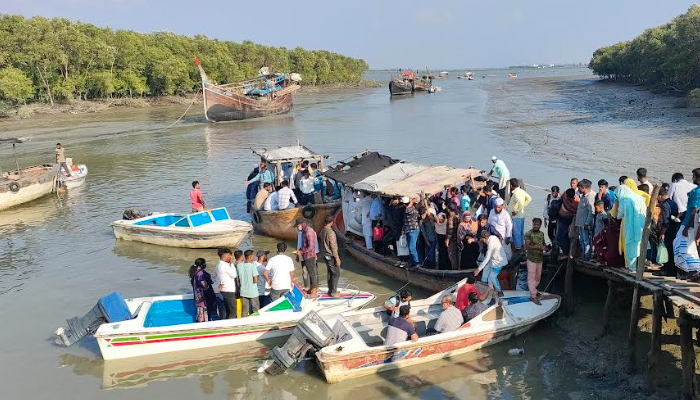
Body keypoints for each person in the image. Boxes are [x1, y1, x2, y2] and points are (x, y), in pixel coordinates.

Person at [611, 183, 647, 270]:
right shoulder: (639, 197)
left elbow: (619, 216)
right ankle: (640, 265)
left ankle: (631, 267)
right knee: (639, 244)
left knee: (630, 244)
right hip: (641, 225)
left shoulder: (624, 199)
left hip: (630, 225)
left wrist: (617, 204)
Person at [653, 188, 679, 276]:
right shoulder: (673, 203)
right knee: (672, 250)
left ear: (660, 196)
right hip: (674, 228)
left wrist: (662, 233)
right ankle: (671, 268)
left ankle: (668, 270)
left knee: (668, 249)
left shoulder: (665, 205)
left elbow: (665, 220)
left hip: (668, 230)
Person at [475, 230, 508, 295]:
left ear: (484, 238)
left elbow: (487, 257)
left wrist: (478, 269)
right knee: (486, 269)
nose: (482, 241)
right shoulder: (493, 237)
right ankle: (488, 286)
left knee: (492, 277)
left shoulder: (491, 244)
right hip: (494, 260)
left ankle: (499, 291)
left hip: (498, 262)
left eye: (482, 239)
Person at [295, 218, 319, 297]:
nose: (297, 228)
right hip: (305, 256)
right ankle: (309, 288)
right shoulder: (303, 232)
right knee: (306, 272)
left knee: (312, 273)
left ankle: (314, 290)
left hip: (310, 256)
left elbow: (311, 246)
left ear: (302, 224)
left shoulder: (309, 231)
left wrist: (301, 252)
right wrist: (299, 253)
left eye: (298, 226)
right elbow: (303, 245)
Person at [319, 214, 342, 297]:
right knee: (336, 273)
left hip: (325, 254)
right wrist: (337, 258)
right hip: (331, 255)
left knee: (330, 272)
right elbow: (333, 246)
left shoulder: (322, 230)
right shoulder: (330, 232)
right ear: (332, 222)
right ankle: (333, 292)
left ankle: (330, 290)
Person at [524, 218, 546, 304]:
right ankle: (533, 296)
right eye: (535, 224)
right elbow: (527, 247)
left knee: (538, 277)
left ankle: (534, 290)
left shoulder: (542, 234)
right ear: (532, 224)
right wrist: (538, 247)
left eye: (538, 225)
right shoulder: (528, 234)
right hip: (531, 259)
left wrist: (545, 247)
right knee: (531, 277)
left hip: (539, 259)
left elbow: (543, 244)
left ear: (540, 225)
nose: (536, 226)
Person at [507, 178, 532, 251]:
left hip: (516, 216)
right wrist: (523, 206)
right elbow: (529, 198)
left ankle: (518, 249)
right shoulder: (522, 191)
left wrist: (516, 211)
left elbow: (520, 203)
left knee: (516, 233)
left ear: (511, 185)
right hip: (521, 215)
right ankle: (521, 245)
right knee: (520, 232)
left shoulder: (516, 193)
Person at [575, 179, 596, 260]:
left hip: (585, 224)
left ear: (583, 188)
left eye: (579, 188)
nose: (578, 190)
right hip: (580, 223)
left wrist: (587, 223)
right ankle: (584, 255)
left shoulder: (590, 197)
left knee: (586, 241)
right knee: (582, 240)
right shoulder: (583, 196)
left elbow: (591, 212)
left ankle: (587, 257)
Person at [215, 248, 238, 319]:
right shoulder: (225, 266)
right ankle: (231, 324)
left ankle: (224, 322)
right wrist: (232, 264)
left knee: (225, 309)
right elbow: (234, 275)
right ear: (225, 256)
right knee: (233, 310)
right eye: (230, 256)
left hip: (223, 290)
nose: (231, 257)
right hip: (229, 290)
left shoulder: (218, 265)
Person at [236, 250, 260, 317]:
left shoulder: (239, 266)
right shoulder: (252, 266)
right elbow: (255, 280)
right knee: (255, 309)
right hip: (253, 292)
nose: (254, 257)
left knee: (244, 310)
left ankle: (244, 323)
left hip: (243, 291)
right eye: (253, 255)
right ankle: (256, 323)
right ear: (250, 256)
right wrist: (258, 277)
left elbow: (238, 278)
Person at [557, 188, 579, 259]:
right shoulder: (565, 195)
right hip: (561, 218)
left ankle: (566, 253)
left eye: (570, 198)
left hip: (568, 220)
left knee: (560, 238)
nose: (569, 199)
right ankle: (566, 252)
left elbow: (574, 209)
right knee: (564, 237)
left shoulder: (576, 201)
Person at [403, 196, 421, 267]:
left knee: (412, 248)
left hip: (413, 230)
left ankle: (417, 263)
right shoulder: (408, 208)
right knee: (410, 248)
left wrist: (412, 201)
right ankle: (413, 262)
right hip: (408, 230)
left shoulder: (412, 209)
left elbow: (407, 210)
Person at [445, 205, 460, 269]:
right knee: (456, 256)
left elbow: (450, 230)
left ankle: (454, 269)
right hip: (457, 239)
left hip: (452, 240)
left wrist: (447, 240)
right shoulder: (457, 216)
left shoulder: (451, 218)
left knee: (451, 255)